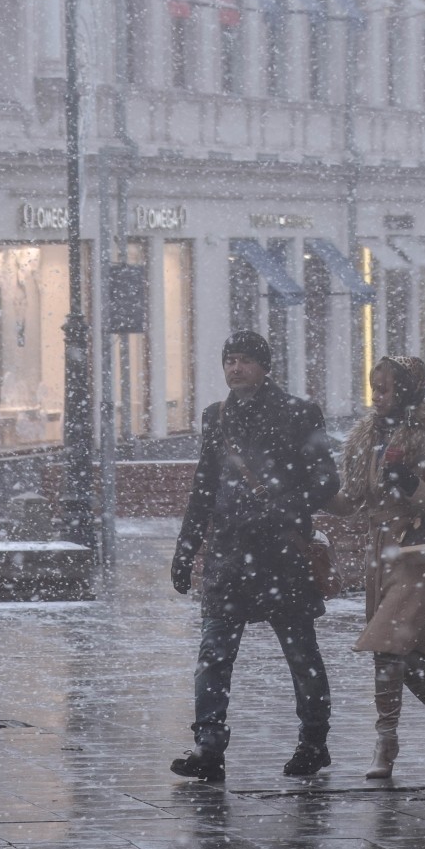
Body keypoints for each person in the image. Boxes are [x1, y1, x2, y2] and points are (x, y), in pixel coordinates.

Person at [169, 330, 341, 783]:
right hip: (229, 557)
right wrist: (185, 551)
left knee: (301, 652)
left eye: (244, 359)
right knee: (214, 654)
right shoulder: (217, 417)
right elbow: (203, 488)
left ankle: (313, 741)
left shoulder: (299, 414)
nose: (234, 368)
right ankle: (208, 746)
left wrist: (285, 506)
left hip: (282, 555)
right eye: (229, 359)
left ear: (265, 366)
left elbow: (327, 481)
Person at [325, 357, 425, 779]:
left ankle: (385, 743)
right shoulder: (366, 437)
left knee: (388, 646)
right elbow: (352, 500)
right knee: (397, 652)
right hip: (383, 556)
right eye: (374, 387)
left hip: (419, 557)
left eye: (386, 388)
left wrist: (410, 484)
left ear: (407, 390)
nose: (377, 396)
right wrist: (314, 491)